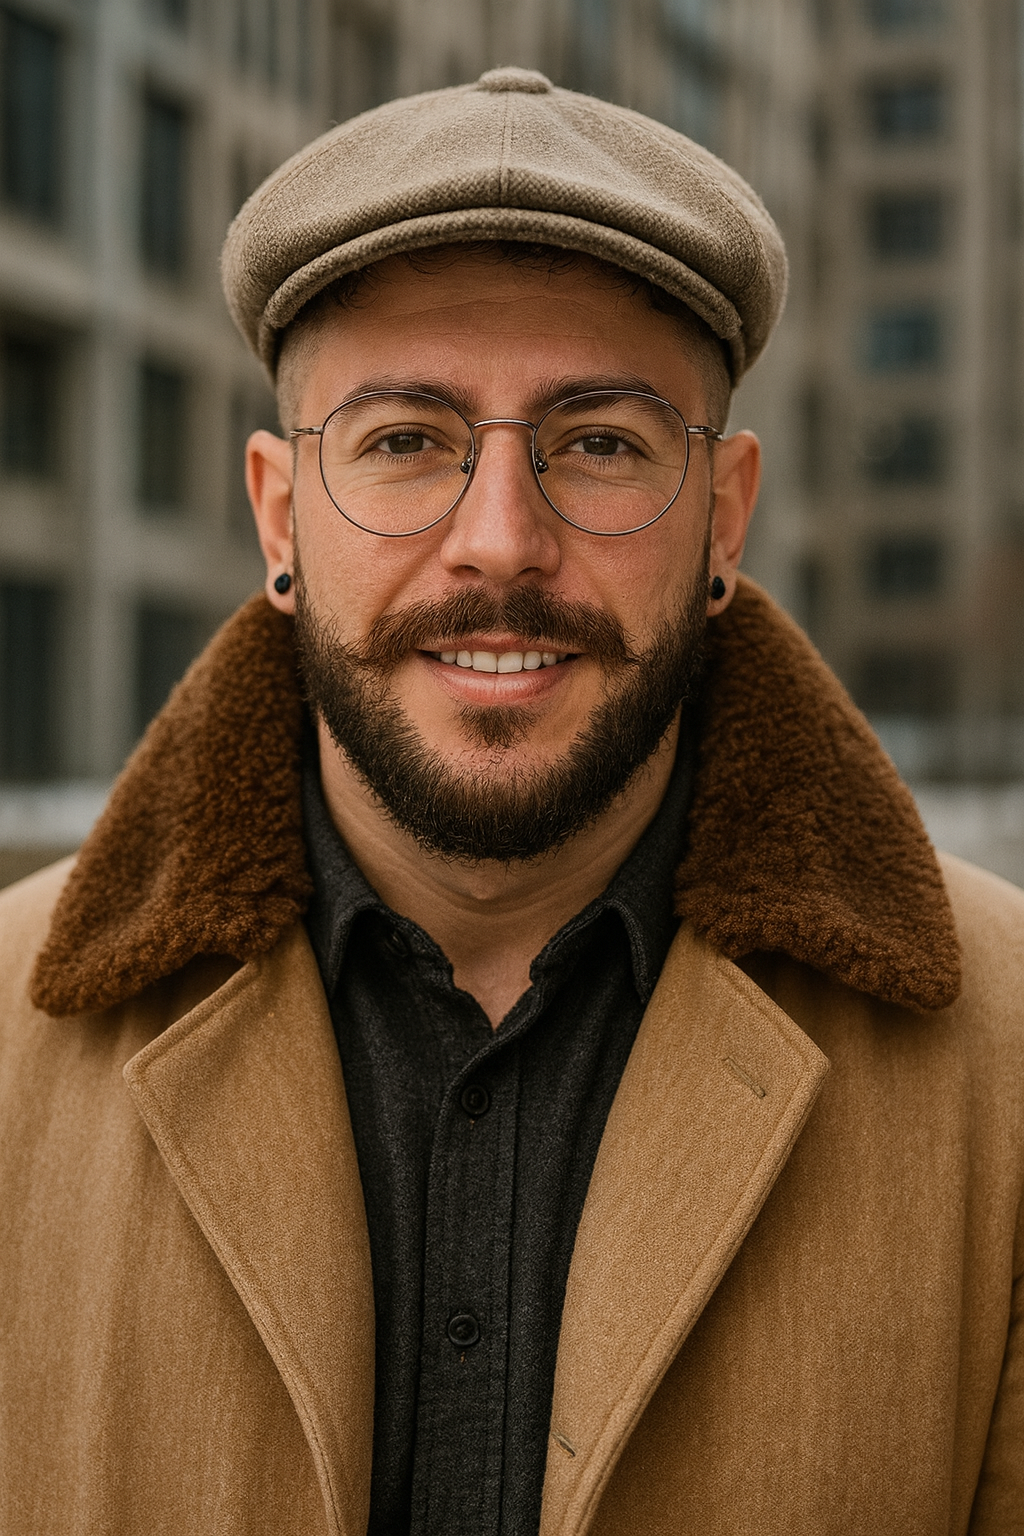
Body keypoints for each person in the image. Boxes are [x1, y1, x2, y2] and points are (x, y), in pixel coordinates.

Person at [0, 67, 1021, 1536]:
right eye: (403, 438)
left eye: (599, 442)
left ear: (724, 519)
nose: (499, 542)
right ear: (279, 514)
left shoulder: (1009, 1073)